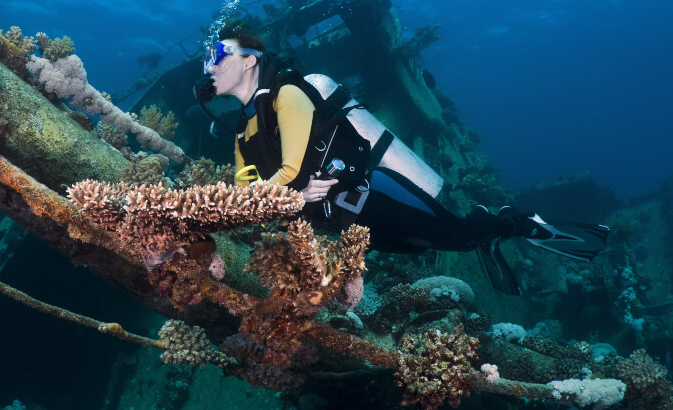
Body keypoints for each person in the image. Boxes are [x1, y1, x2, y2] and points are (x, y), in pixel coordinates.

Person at [196, 20, 608, 295]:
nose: (210, 65)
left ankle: (518, 223)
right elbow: (244, 195)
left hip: (376, 195)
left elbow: (292, 171)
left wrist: (280, 195)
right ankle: (486, 225)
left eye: (219, 55)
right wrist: (282, 198)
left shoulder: (287, 95)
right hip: (346, 223)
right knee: (436, 245)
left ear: (249, 60)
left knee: (460, 239)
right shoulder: (241, 130)